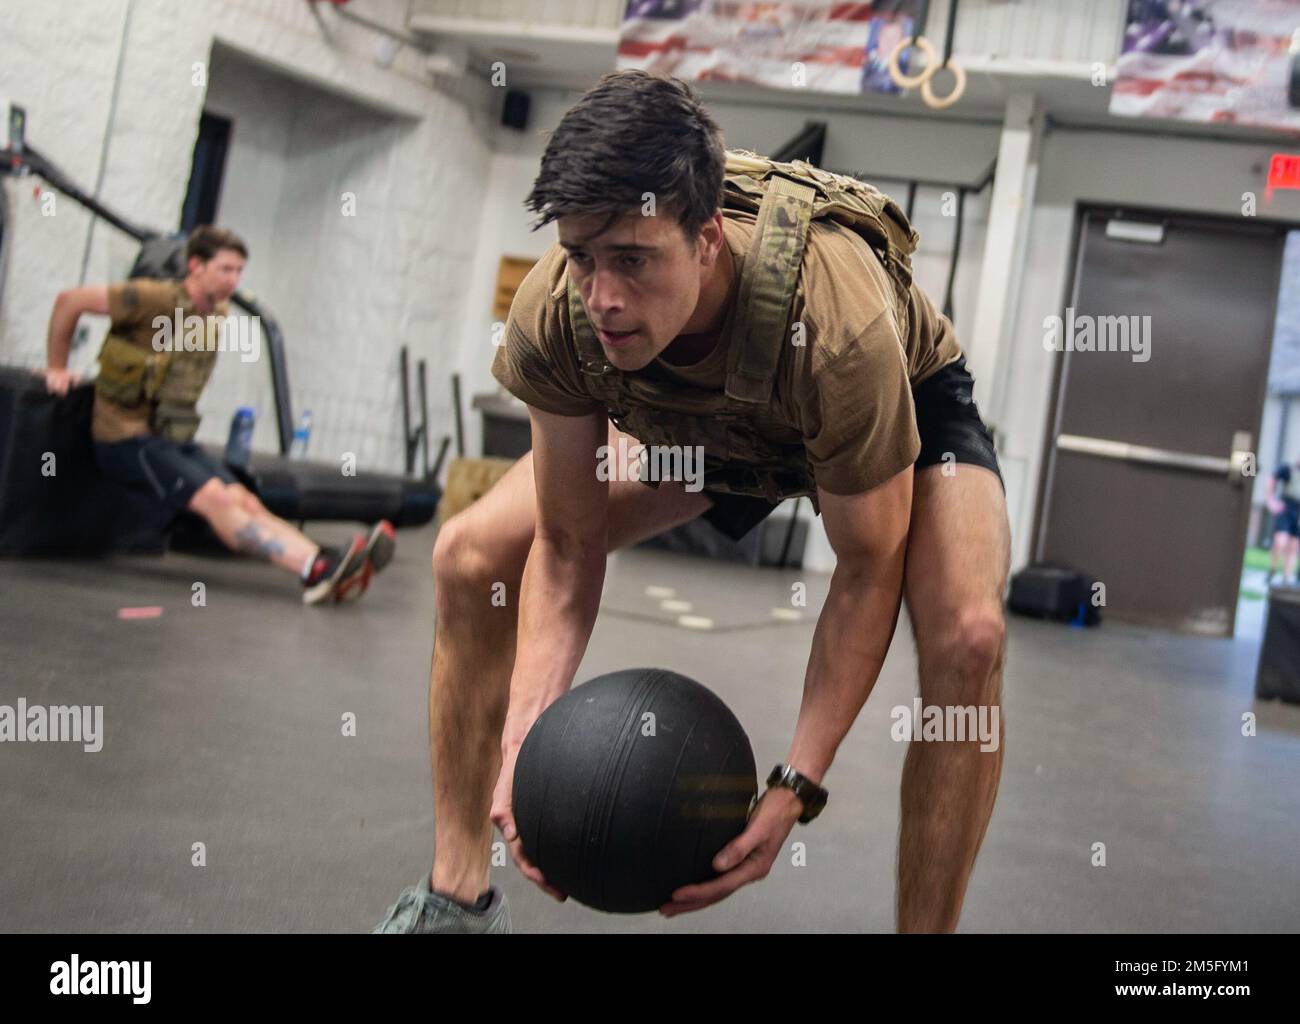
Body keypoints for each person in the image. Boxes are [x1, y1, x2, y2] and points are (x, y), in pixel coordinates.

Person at [374, 71, 1010, 934]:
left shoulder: (838, 325)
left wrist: (797, 782)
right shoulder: (562, 315)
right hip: (698, 423)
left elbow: (866, 573)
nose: (602, 295)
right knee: (469, 554)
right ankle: (455, 898)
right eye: (582, 257)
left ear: (707, 240)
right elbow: (567, 543)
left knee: (970, 637)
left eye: (632, 259)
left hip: (887, 393)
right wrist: (525, 736)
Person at [39, 225, 394, 604]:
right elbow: (68, 301)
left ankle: (327, 561)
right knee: (218, 500)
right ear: (196, 265)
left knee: (245, 499)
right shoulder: (153, 298)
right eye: (225, 269)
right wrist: (56, 367)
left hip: (171, 439)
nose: (234, 280)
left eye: (239, 271)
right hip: (125, 439)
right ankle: (313, 569)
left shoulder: (214, 314)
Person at [1265, 461, 1300, 586]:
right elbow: (1272, 479)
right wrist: (1271, 501)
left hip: (1298, 510)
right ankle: (1273, 570)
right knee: (1281, 541)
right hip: (1286, 507)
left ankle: (1287, 577)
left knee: (1294, 546)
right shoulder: (1288, 469)